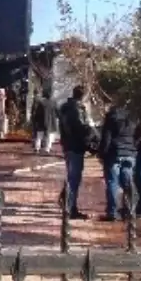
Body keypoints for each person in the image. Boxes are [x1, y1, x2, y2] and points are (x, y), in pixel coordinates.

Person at [58, 85, 98, 220]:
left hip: (70, 145)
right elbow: (80, 129)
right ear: (84, 96)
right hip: (75, 147)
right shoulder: (76, 109)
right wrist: (91, 131)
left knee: (72, 176)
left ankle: (67, 201)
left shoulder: (67, 107)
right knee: (74, 178)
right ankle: (70, 207)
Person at [97, 95, 137, 221]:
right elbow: (138, 135)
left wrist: (102, 153)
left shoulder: (112, 116)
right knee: (128, 183)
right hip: (129, 154)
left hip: (114, 154)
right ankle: (129, 210)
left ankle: (112, 212)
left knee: (112, 183)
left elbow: (106, 138)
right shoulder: (133, 117)